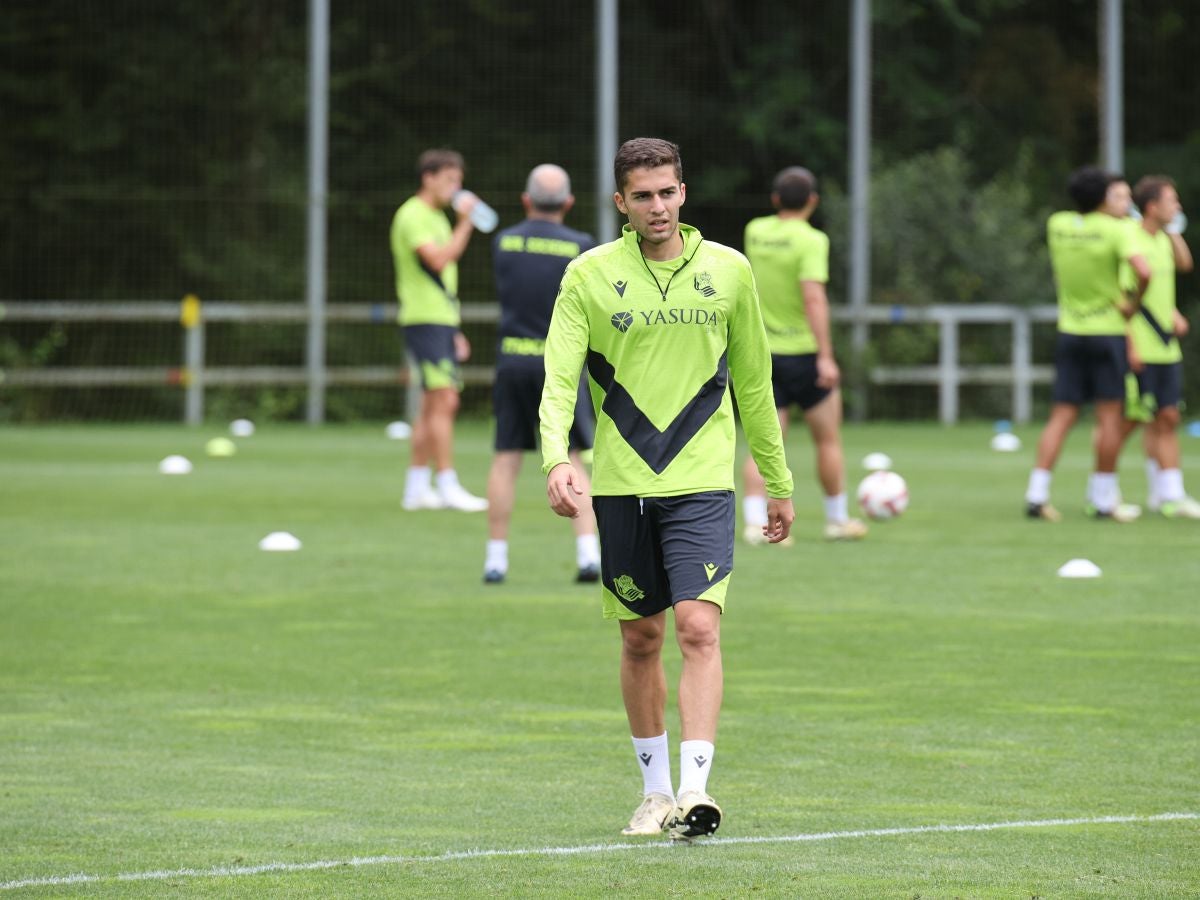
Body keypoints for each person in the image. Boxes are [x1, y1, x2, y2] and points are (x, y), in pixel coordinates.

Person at [540, 138, 795, 841]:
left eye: (668, 192)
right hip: (621, 487)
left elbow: (754, 383)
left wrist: (777, 482)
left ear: (685, 193)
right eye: (643, 196)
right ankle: (653, 795)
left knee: (697, 626)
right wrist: (555, 457)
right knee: (641, 638)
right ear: (621, 203)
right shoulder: (588, 275)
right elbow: (560, 377)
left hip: (704, 484)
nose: (658, 206)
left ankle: (696, 791)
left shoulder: (729, 271)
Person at [482, 164, 602, 583]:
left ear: (526, 200)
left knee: (506, 458)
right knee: (571, 456)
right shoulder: (581, 246)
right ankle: (589, 555)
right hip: (559, 367)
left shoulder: (504, 242)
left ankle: (495, 561)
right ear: (568, 203)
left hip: (512, 361)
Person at [741, 167, 868, 543]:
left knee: (766, 440)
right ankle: (837, 519)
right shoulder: (812, 240)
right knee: (827, 439)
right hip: (803, 353)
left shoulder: (755, 231)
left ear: (776, 200)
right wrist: (826, 356)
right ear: (813, 201)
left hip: (761, 352)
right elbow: (813, 297)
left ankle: (753, 524)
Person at [1024, 166, 1151, 522]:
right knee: (1110, 415)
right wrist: (1133, 304)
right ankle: (1103, 499)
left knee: (1062, 415)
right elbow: (1144, 271)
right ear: (1102, 198)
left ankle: (1037, 494)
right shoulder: (1118, 230)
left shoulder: (1058, 224)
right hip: (1107, 331)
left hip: (1070, 330)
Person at [390, 148, 488, 512]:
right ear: (428, 178)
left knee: (433, 403)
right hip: (424, 320)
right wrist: (466, 223)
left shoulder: (437, 217)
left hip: (440, 321)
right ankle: (447, 484)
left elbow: (441, 281)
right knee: (446, 400)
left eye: (458, 181)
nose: (455, 188)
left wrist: (455, 328)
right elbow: (437, 259)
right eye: (449, 180)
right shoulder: (413, 214)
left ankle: (415, 489)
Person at [1118, 175, 1199, 517]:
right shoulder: (1131, 240)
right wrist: (1130, 345)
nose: (1177, 206)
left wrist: (1173, 312)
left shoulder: (1165, 239)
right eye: (1171, 201)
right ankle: (1103, 484)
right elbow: (1124, 299)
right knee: (1127, 423)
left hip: (1166, 348)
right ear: (1151, 207)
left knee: (1166, 417)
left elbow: (1184, 265)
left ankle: (1167, 493)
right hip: (1140, 346)